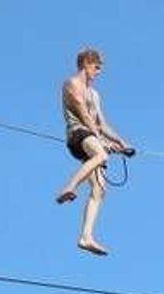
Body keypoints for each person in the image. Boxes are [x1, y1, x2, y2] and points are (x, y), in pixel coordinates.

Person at [56, 48, 133, 256]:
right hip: (78, 135)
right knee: (101, 155)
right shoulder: (71, 84)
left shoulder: (95, 94)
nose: (98, 72)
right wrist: (102, 142)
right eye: (96, 67)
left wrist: (119, 142)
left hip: (92, 138)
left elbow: (102, 124)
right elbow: (83, 115)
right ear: (86, 64)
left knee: (100, 188)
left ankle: (85, 237)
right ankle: (70, 186)